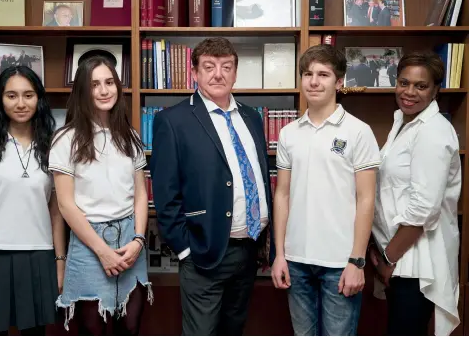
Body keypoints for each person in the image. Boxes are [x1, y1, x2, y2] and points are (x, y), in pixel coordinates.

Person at [150, 37, 273, 335]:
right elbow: (166, 196)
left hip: (248, 252)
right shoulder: (173, 120)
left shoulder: (251, 117)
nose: (218, 74)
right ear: (194, 72)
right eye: (209, 67)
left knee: (233, 330)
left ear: (235, 73)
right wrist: (185, 250)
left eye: (226, 67)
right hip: (204, 254)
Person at [271, 44, 381, 336]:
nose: (314, 81)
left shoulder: (358, 131)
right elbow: (282, 194)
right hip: (296, 262)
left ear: (340, 82)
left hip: (340, 263)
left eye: (323, 74)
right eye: (308, 74)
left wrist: (357, 261)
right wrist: (279, 254)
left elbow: (366, 198)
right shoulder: (288, 133)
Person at [0, 65, 66, 335]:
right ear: (0, 100)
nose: (21, 103)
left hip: (39, 255)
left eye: (28, 95)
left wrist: (60, 261)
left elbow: (56, 211)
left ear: (39, 99)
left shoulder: (52, 146)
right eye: (12, 95)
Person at [49, 55, 152, 335]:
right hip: (88, 243)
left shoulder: (129, 136)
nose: (104, 91)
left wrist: (139, 240)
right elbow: (66, 205)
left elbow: (140, 195)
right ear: (83, 90)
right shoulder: (65, 139)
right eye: (95, 84)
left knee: (130, 327)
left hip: (130, 239)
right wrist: (102, 252)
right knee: (95, 329)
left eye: (109, 82)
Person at [369, 51, 461, 336]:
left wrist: (388, 259)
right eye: (403, 82)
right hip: (398, 257)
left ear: (436, 90)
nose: (409, 92)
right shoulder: (403, 121)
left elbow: (424, 209)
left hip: (415, 262)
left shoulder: (433, 131)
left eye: (421, 86)